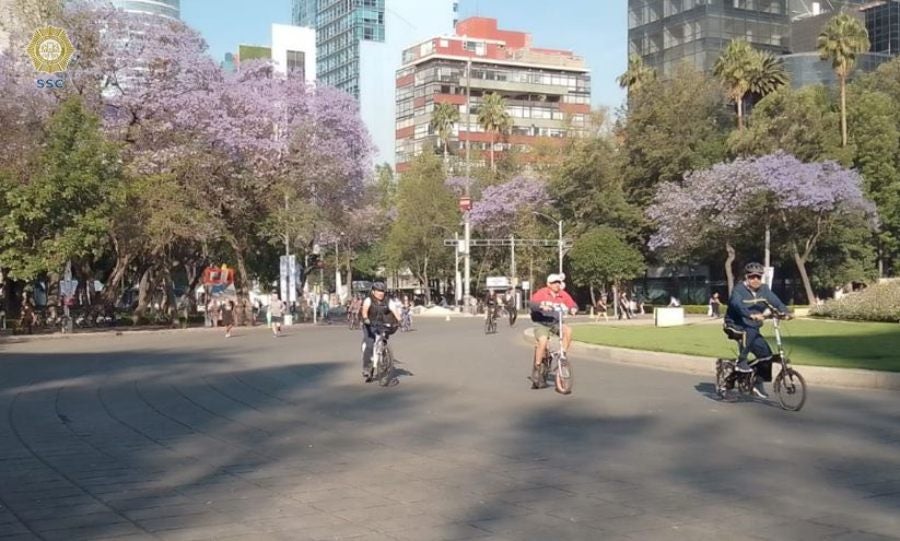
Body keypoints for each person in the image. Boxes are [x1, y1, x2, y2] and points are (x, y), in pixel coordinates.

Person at [723, 262, 790, 398]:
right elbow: (737, 305)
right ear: (746, 278)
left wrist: (785, 312)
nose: (755, 280)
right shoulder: (738, 290)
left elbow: (776, 302)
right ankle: (742, 361)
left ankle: (757, 384)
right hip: (734, 325)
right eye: (752, 277)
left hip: (752, 327)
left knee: (766, 355)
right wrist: (750, 314)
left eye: (758, 277)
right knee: (750, 331)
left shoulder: (764, 290)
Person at [529, 273, 578, 388]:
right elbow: (532, 304)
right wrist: (541, 306)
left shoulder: (563, 294)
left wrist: (574, 309)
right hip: (542, 323)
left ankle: (563, 355)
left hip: (556, 322)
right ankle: (537, 366)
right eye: (554, 283)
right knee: (543, 341)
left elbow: (572, 304)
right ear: (548, 284)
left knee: (568, 331)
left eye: (558, 283)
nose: (557, 285)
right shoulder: (542, 293)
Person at [360, 282, 401, 382]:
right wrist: (366, 319)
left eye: (382, 291)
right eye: (378, 291)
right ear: (373, 291)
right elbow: (364, 311)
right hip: (370, 324)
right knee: (370, 344)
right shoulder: (368, 300)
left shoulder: (388, 301)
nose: (381, 293)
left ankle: (384, 356)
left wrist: (400, 320)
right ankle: (367, 369)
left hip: (382, 324)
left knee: (383, 340)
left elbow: (395, 310)